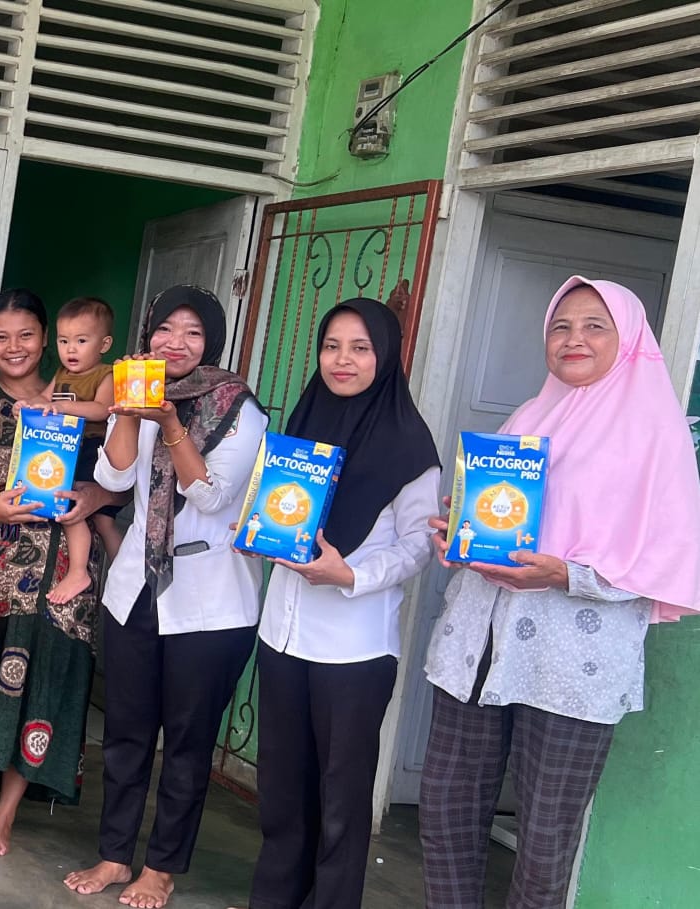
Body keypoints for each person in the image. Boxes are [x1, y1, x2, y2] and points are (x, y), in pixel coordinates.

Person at [420, 277, 700, 909]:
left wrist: (564, 574)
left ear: (629, 339)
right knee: (446, 812)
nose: (574, 339)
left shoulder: (655, 435)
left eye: (595, 326)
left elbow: (666, 558)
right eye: (561, 326)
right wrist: (459, 530)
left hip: (572, 665)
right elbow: (501, 517)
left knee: (546, 842)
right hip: (476, 650)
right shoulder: (528, 416)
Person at [62, 286, 266, 909]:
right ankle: (115, 854)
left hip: (210, 598)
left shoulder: (239, 408)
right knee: (125, 734)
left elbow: (211, 495)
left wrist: (171, 425)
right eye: (165, 330)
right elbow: (113, 477)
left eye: (193, 332)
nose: (175, 343)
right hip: (137, 588)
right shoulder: (138, 391)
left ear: (212, 342)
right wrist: (129, 410)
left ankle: (162, 867)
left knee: (186, 741)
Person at [243, 299, 441, 909]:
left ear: (386, 356)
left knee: (340, 801)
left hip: (354, 648)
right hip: (282, 636)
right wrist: (255, 529)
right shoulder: (302, 424)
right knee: (282, 792)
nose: (342, 360)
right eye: (332, 346)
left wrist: (350, 574)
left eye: (360, 347)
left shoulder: (409, 446)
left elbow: (418, 546)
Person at [0, 289, 122, 858]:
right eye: (0, 336)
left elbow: (121, 475)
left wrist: (93, 497)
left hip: (60, 567)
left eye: (26, 335)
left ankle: (7, 810)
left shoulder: (79, 398)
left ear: (45, 341)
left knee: (43, 679)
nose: (13, 347)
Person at [14, 296, 118, 604]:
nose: (71, 349)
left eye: (81, 341)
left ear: (104, 344)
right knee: (76, 511)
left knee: (87, 514)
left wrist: (62, 407)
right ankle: (114, 575)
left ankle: (82, 572)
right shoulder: (62, 373)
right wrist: (28, 405)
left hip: (92, 449)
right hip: (63, 448)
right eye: (64, 341)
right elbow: (44, 399)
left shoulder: (105, 374)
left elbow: (102, 409)